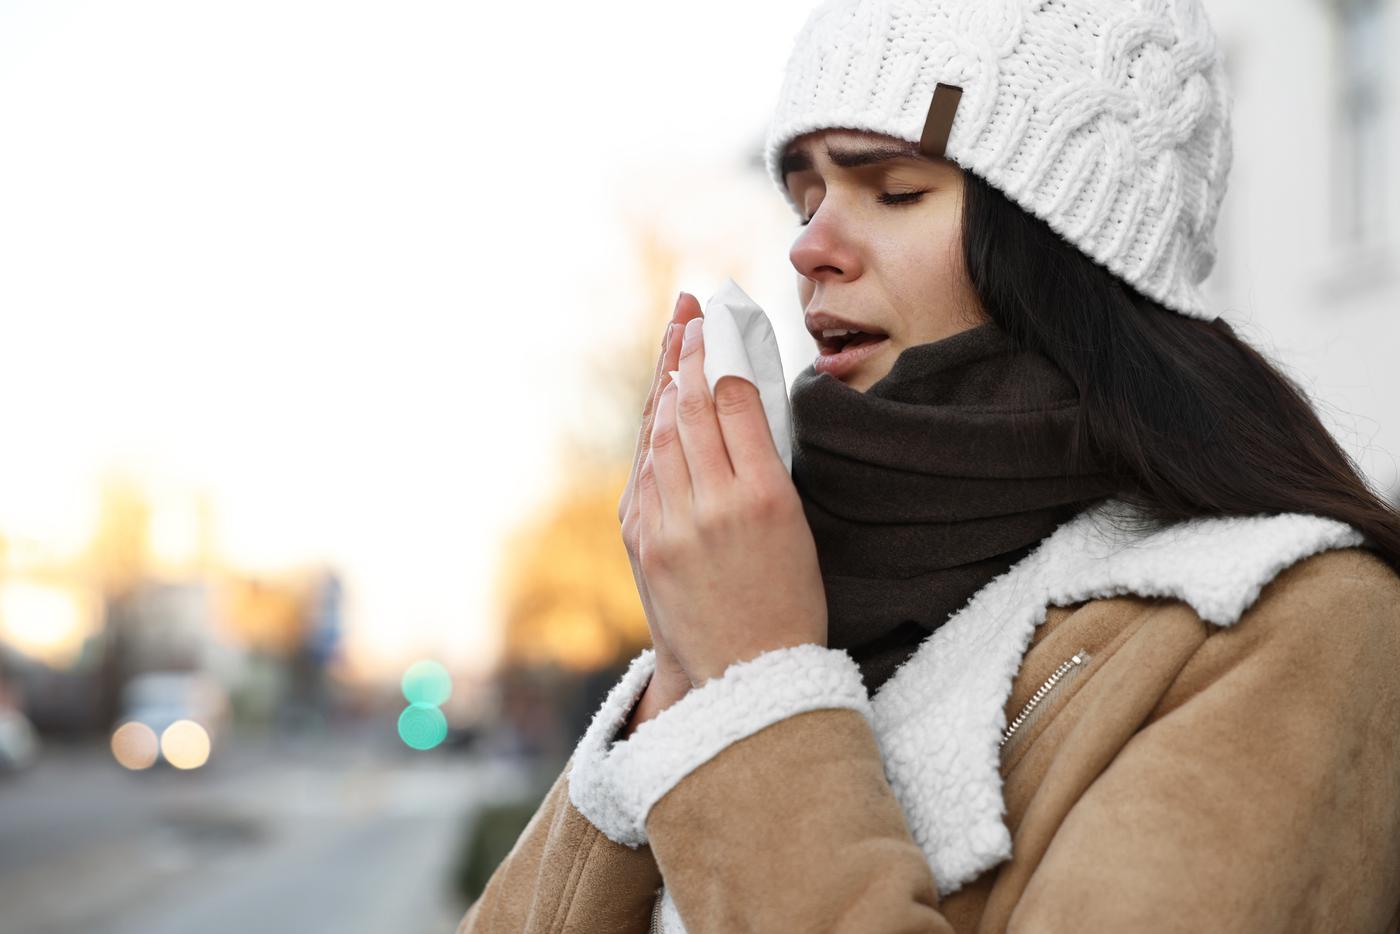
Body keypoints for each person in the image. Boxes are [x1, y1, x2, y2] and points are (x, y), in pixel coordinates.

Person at [456, 0, 1400, 930]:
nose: (809, 247)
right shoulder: (791, 591)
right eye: (806, 197)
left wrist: (756, 692)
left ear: (1065, 249)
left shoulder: (1290, 626)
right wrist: (685, 676)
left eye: (894, 189)